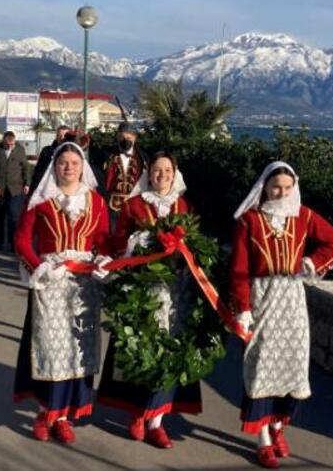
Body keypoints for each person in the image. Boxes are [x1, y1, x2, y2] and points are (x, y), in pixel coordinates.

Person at [229, 162, 333, 469]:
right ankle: (263, 440)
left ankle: (279, 426)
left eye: (286, 187)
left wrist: (311, 261)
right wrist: (242, 308)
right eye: (275, 186)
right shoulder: (250, 221)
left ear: (293, 187)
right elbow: (239, 270)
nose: (280, 192)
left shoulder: (303, 216)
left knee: (293, 367)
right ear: (265, 187)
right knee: (261, 368)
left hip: (292, 299)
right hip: (262, 300)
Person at [97, 152, 200, 449]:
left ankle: (157, 421)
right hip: (142, 289)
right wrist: (133, 244)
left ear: (175, 173)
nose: (162, 175)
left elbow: (194, 245)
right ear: (148, 173)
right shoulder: (134, 205)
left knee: (169, 351)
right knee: (140, 349)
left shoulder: (185, 206)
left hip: (176, 292)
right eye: (157, 170)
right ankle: (135, 412)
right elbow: (118, 241)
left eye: (167, 170)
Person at [13, 142, 111, 445]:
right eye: (63, 163)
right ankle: (46, 412)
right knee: (50, 348)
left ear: (83, 167)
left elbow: (104, 240)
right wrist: (38, 267)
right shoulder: (42, 201)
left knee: (76, 349)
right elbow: (22, 240)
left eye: (74, 162)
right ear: (54, 167)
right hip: (51, 282)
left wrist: (103, 260)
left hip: (83, 286)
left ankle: (65, 415)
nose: (69, 167)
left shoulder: (95, 202)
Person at [103, 122, 147, 222]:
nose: (125, 140)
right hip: (111, 205)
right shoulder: (107, 155)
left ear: (135, 138)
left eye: (129, 137)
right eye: (122, 137)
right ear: (117, 137)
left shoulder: (142, 158)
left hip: (134, 204)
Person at [0, 131, 30, 252]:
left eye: (12, 144)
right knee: (0, 216)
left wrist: (27, 183)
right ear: (4, 141)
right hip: (0, 189)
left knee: (13, 216)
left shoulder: (20, 150)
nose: (10, 146)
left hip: (16, 189)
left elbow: (26, 168)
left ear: (14, 142)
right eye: (7, 144)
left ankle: (12, 243)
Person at [30, 125, 70, 192]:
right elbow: (39, 170)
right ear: (56, 136)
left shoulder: (73, 153)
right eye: (59, 135)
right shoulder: (46, 151)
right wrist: (33, 188)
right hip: (47, 187)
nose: (62, 138)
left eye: (64, 135)